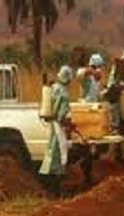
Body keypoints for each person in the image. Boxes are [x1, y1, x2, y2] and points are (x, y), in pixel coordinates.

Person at [39, 65, 74, 197]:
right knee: (59, 155)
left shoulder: (53, 88)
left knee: (51, 153)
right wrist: (71, 125)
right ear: (69, 79)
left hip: (53, 126)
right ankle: (55, 192)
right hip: (59, 126)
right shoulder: (64, 93)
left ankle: (50, 190)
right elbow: (62, 116)